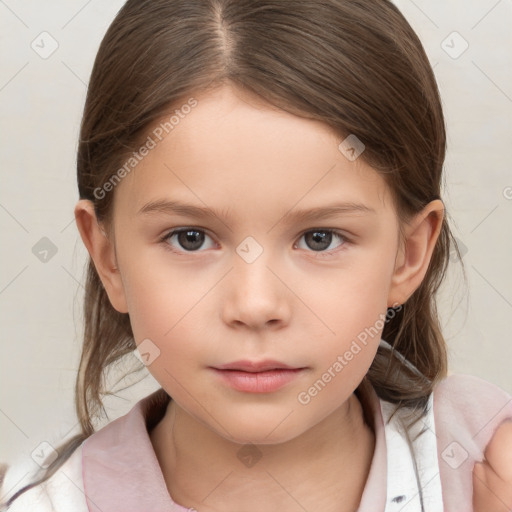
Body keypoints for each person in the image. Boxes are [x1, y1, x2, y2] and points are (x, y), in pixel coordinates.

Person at [1, 1, 511, 511]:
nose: (254, 304)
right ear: (108, 257)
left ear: (409, 254)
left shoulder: (482, 466)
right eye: (190, 238)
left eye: (319, 239)